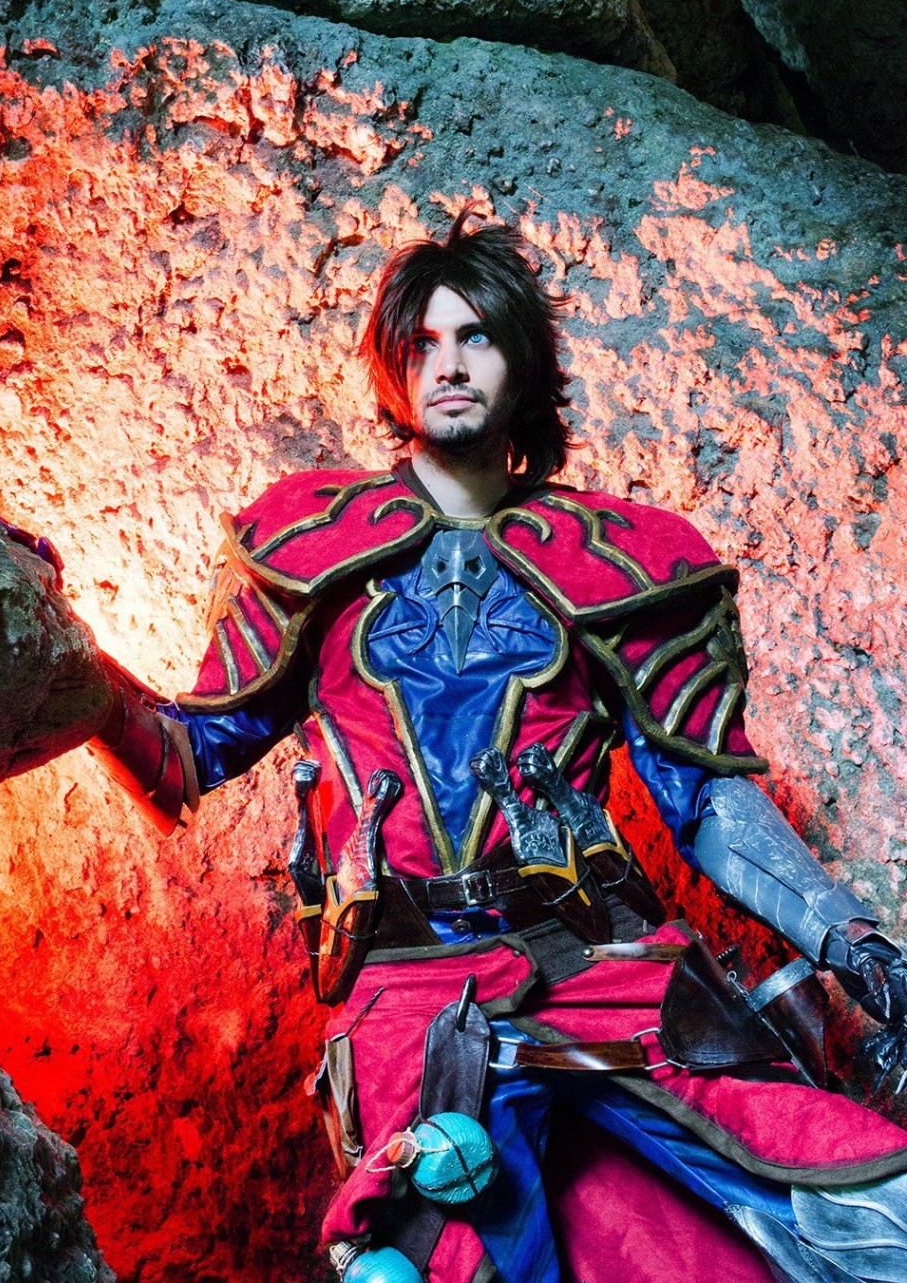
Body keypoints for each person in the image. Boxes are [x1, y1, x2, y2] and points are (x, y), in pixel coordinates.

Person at [88, 211, 907, 1283]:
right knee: (438, 1252)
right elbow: (186, 755)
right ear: (395, 371)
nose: (448, 364)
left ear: (521, 363)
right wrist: (70, 674)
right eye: (422, 342)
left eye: (475, 336)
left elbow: (705, 794)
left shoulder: (621, 559)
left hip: (605, 966)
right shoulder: (308, 548)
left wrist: (853, 941)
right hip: (411, 993)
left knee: (867, 1201)